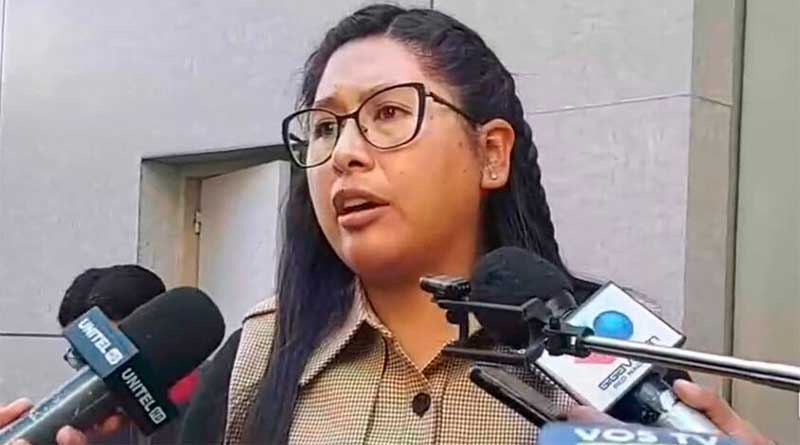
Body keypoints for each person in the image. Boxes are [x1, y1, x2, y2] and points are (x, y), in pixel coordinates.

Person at [0, 4, 774, 445]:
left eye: (389, 114)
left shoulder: (602, 354)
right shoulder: (257, 360)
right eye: (324, 128)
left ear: (491, 152)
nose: (345, 153)